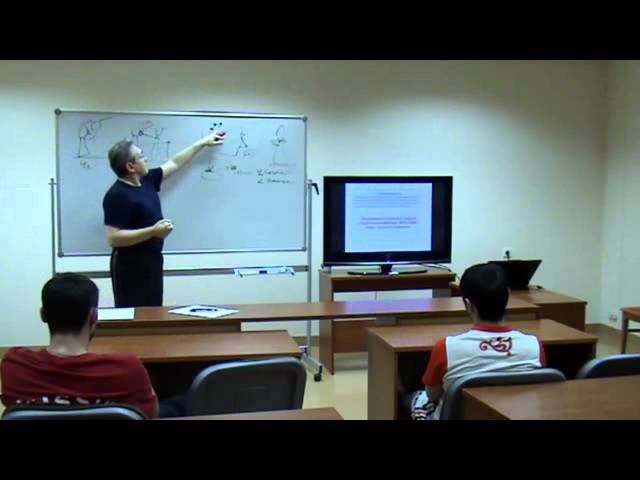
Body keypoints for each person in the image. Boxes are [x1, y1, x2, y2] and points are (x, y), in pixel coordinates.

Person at [0, 273, 160, 418]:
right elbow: (150, 415)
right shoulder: (127, 369)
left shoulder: (15, 366)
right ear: (94, 316)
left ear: (43, 315)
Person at [407, 262, 547, 420]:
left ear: (468, 305)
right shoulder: (534, 345)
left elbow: (432, 395)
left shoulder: (446, 348)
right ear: (508, 296)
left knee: (414, 398)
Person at [103, 130, 225, 307]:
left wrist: (201, 143)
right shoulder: (116, 195)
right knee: (133, 314)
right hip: (129, 266)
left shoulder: (148, 180)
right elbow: (114, 238)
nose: (146, 159)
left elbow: (174, 163)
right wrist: (153, 231)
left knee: (153, 312)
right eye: (141, 156)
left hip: (152, 259)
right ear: (130, 166)